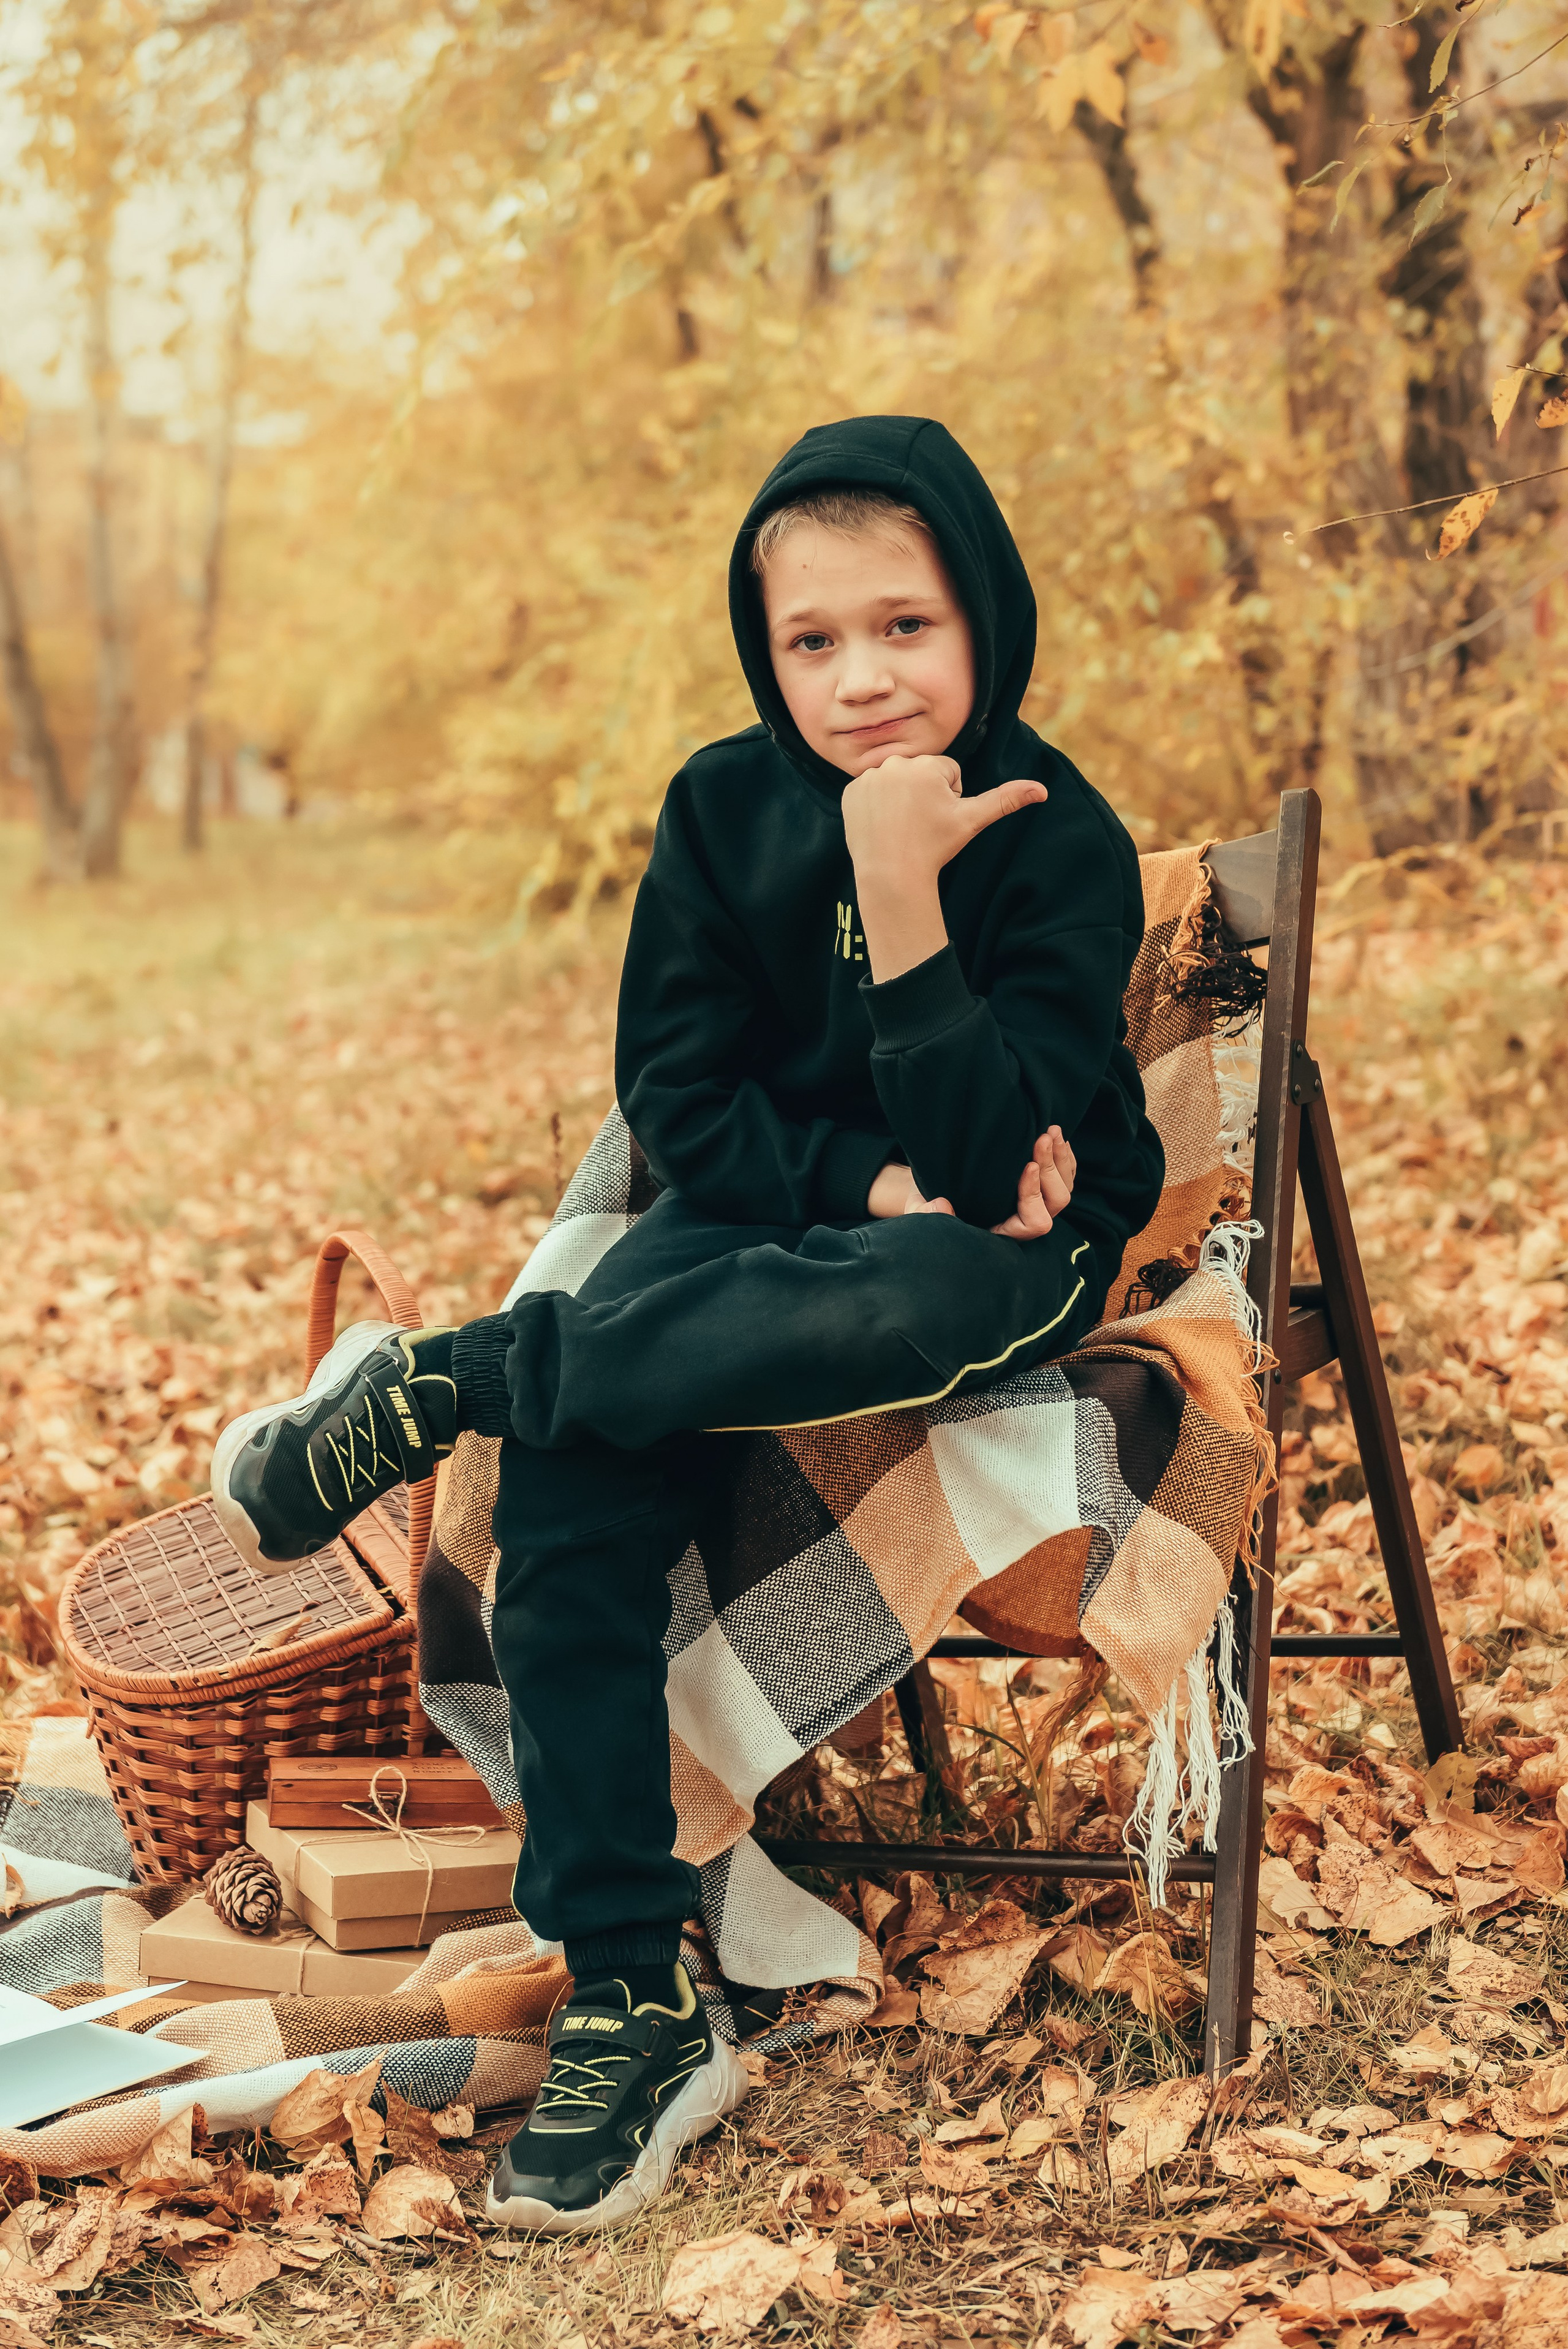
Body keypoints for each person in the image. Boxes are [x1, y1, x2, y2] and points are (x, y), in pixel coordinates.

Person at [210, 415, 1164, 2234]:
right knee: (571, 1471)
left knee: (910, 1282)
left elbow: (1003, 1179)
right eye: (814, 642)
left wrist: (901, 897)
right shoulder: (719, 809)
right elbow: (678, 1097)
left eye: (906, 625)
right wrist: (868, 1178)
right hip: (759, 1228)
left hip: (997, 1276)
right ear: (765, 649)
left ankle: (445, 1381)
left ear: (987, 614)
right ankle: (637, 1990)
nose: (863, 679)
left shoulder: (1056, 834)